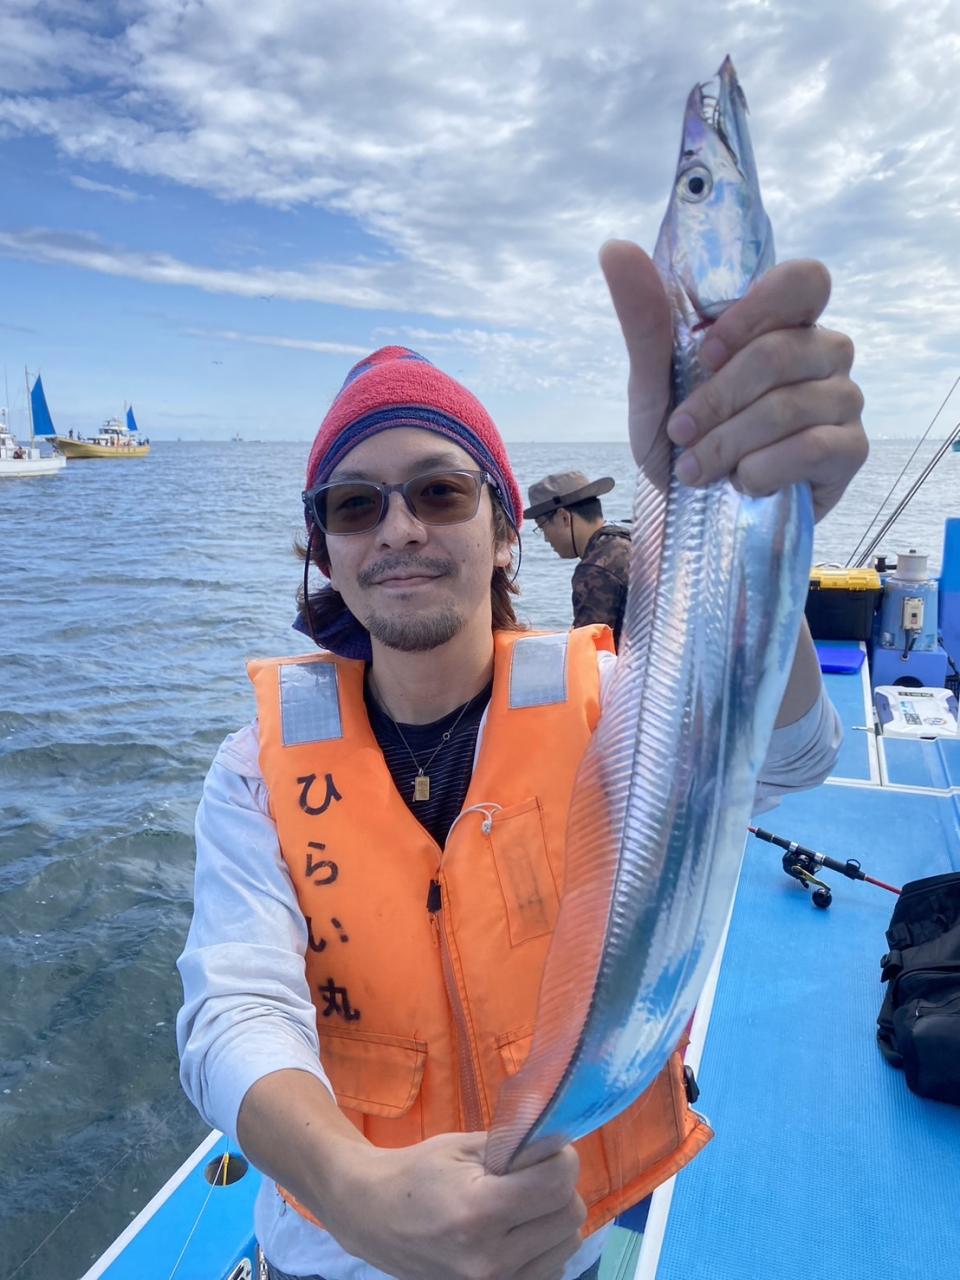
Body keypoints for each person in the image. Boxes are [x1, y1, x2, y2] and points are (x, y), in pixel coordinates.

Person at [177, 244, 867, 1280]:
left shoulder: (611, 705)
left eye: (440, 491)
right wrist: (355, 1193)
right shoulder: (250, 773)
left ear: (506, 531)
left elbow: (795, 754)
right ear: (325, 549)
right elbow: (233, 1006)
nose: (399, 528)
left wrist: (761, 520)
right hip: (329, 1256)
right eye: (355, 504)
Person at [524, 471, 630, 645]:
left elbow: (588, 650)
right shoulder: (626, 539)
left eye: (542, 527)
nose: (546, 538)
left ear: (564, 517)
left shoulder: (596, 570)